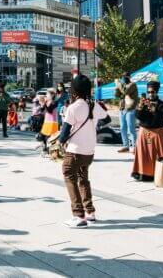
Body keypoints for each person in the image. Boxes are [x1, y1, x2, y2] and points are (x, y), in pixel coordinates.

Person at [58, 75, 108, 228]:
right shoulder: (93, 105)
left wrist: (59, 142)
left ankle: (79, 215)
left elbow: (64, 134)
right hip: (89, 152)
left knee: (68, 173)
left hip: (75, 151)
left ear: (74, 91)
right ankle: (90, 212)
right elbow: (107, 119)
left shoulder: (73, 108)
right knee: (83, 178)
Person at [132, 79, 163, 182]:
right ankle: (143, 174)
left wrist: (152, 108)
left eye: (152, 92)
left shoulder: (162, 104)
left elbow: (160, 118)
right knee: (143, 154)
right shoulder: (143, 102)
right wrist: (140, 107)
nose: (150, 94)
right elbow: (138, 116)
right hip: (144, 131)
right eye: (148, 92)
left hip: (157, 132)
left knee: (161, 153)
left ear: (156, 92)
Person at [114, 73, 138, 153]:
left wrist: (118, 83)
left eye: (125, 76)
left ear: (129, 77)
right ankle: (125, 146)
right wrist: (116, 87)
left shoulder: (133, 85)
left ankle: (135, 147)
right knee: (122, 128)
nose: (124, 78)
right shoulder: (122, 85)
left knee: (131, 129)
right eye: (123, 76)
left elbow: (125, 92)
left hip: (130, 109)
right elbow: (116, 95)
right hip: (122, 109)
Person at [38, 90, 59, 154]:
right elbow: (42, 110)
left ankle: (50, 150)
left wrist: (45, 103)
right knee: (42, 135)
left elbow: (49, 110)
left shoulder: (54, 102)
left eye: (48, 94)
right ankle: (46, 149)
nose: (46, 96)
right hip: (47, 121)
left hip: (53, 122)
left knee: (49, 137)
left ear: (52, 95)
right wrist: (42, 104)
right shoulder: (47, 101)